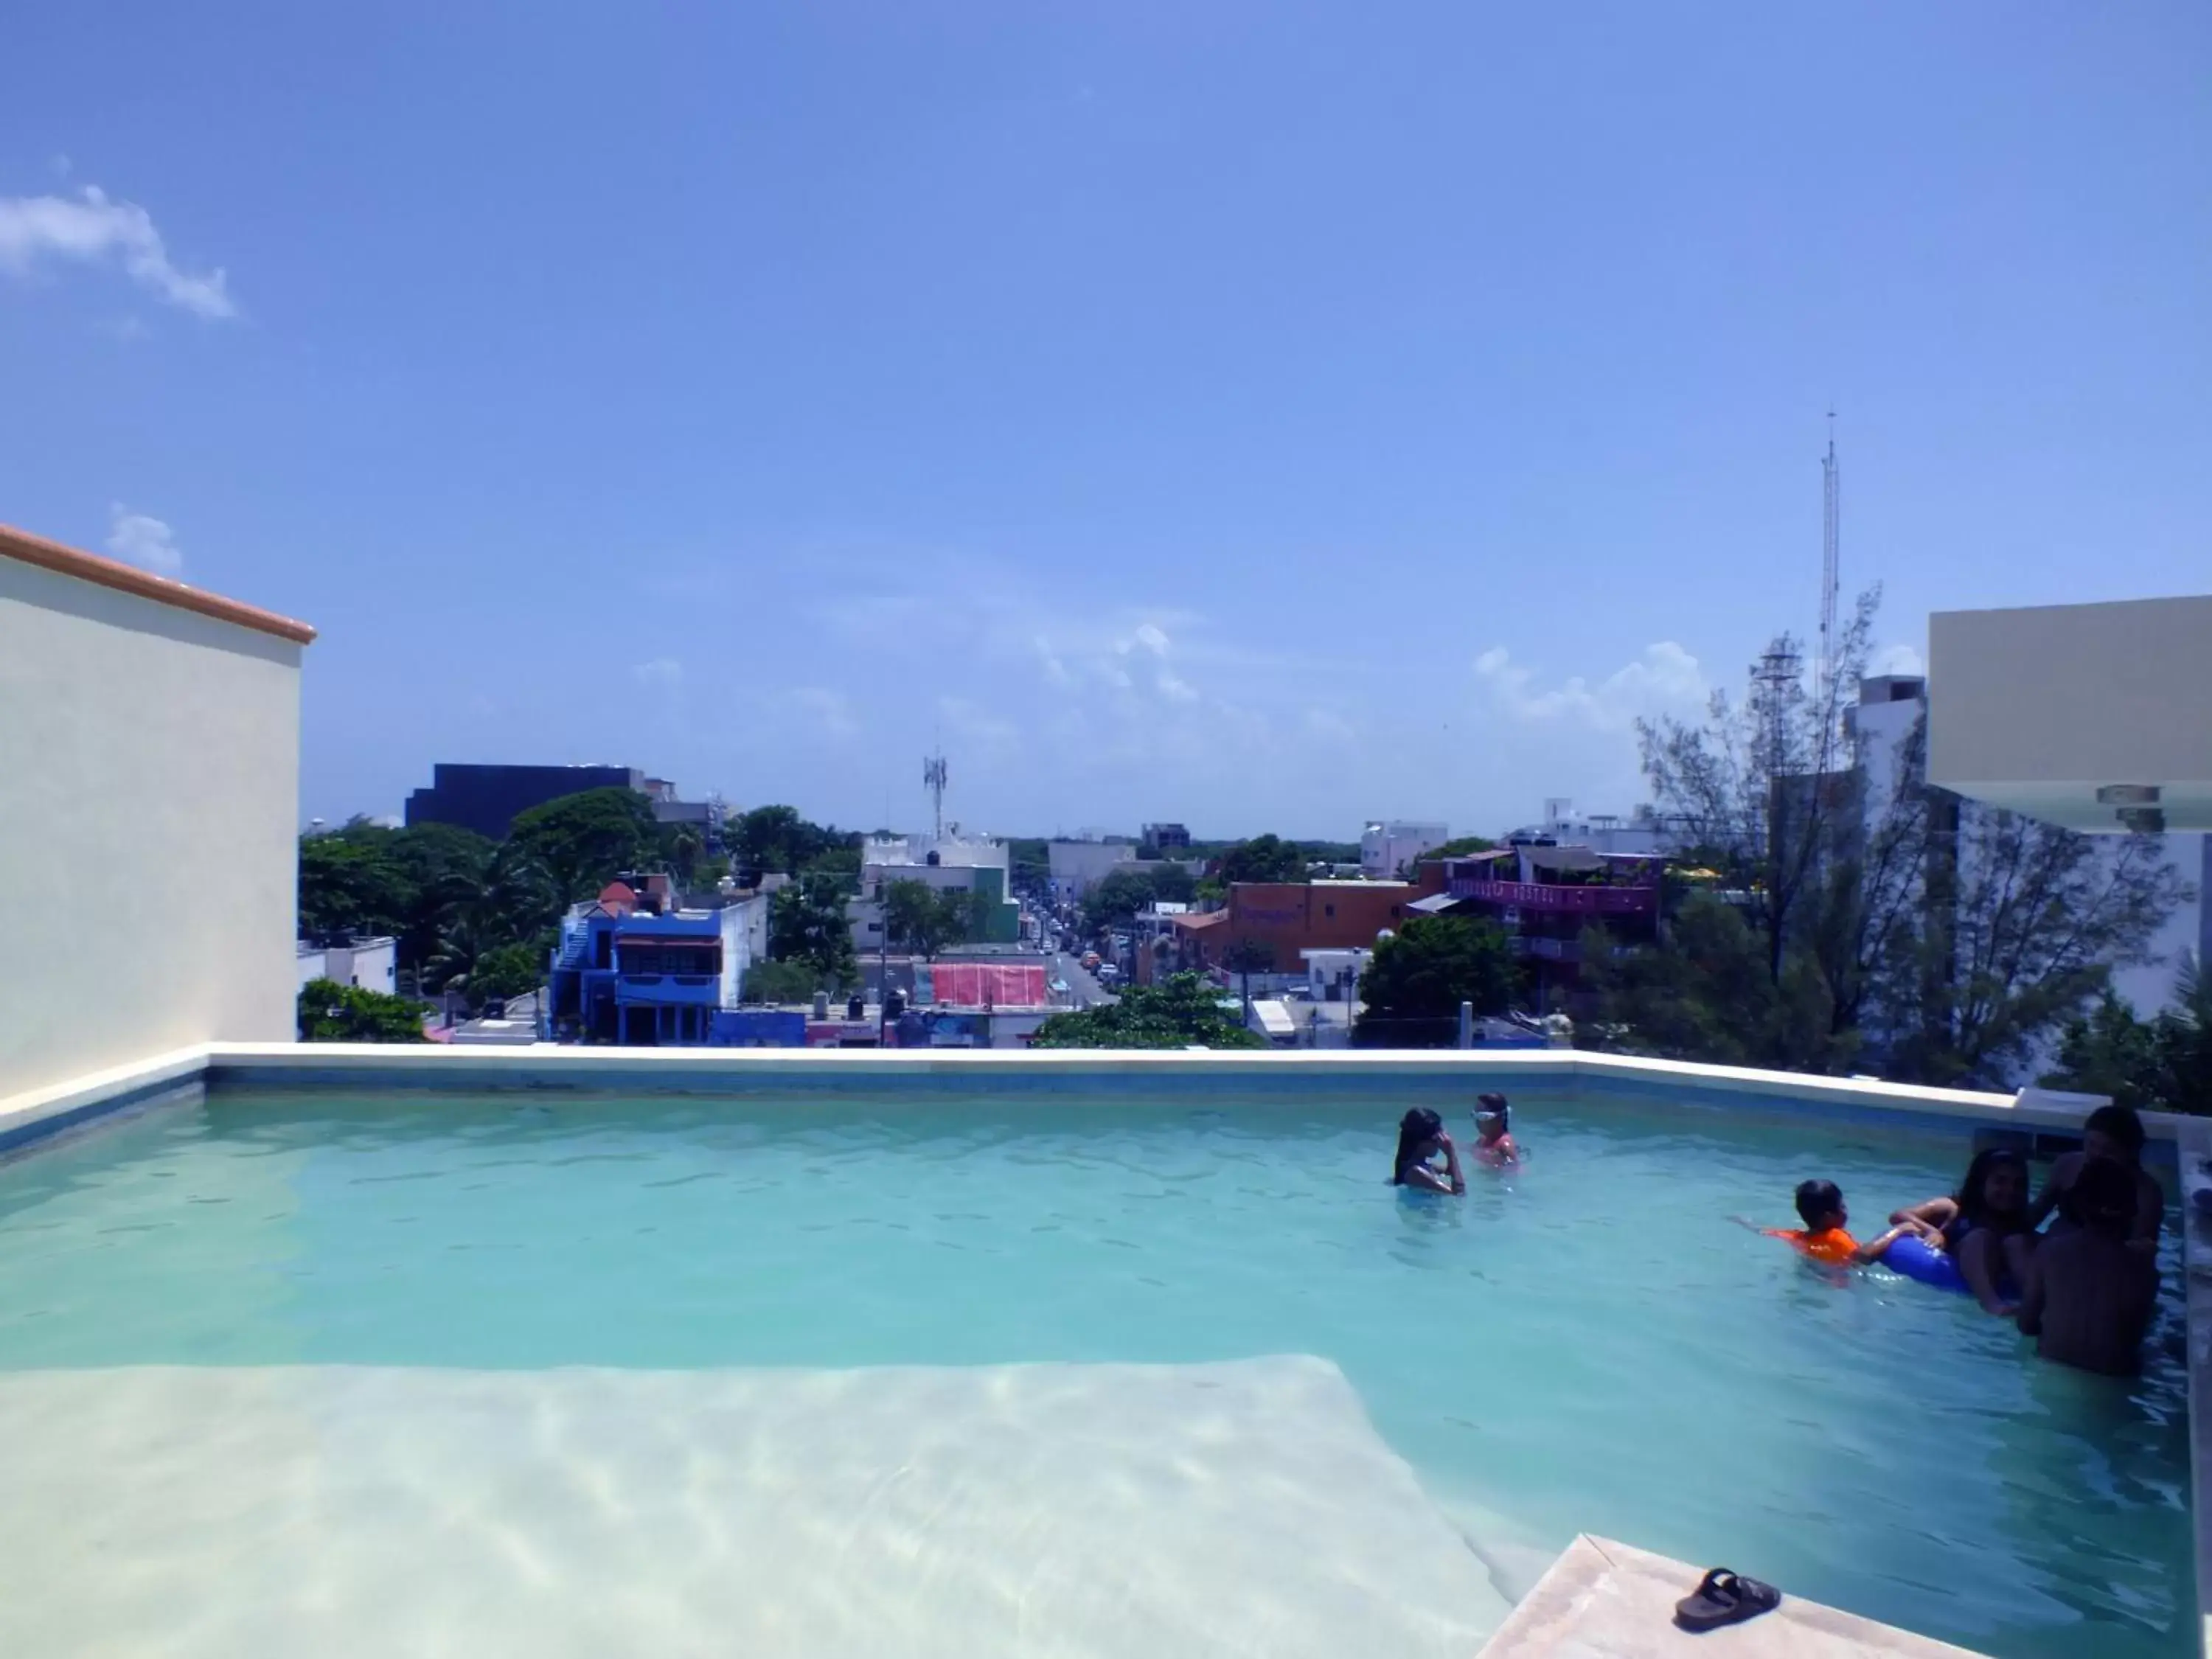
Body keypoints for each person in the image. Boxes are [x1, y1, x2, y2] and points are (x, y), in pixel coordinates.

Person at [2017, 1156, 2160, 1376]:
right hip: (2112, 1378)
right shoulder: (2144, 1270)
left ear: (2079, 1205)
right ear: (2132, 1211)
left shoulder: (2049, 1252)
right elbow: (2133, 1338)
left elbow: (2026, 1324)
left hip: (2051, 1366)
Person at [1889, 1147, 2034, 1315]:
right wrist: (1932, 1231)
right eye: (2000, 1181)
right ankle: (1991, 1303)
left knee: (2016, 1242)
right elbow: (1898, 1216)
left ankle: (2034, 1303)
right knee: (1980, 1236)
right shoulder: (1954, 1208)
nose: (2010, 1190)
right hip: (1967, 1257)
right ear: (1981, 1183)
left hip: (2004, 1267)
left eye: (2018, 1184)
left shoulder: (2019, 1219)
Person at [2026, 1104, 2164, 1253]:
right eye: (2091, 1145)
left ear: (2130, 1152)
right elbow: (2038, 1211)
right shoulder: (2068, 1165)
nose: (2096, 1154)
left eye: (2109, 1150)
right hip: (2054, 1248)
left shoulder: (2145, 1192)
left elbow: (2140, 1250)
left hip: (2104, 1262)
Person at [1753, 1178, 1915, 1265]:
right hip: (1840, 1286)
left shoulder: (1797, 1237)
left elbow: (1764, 1231)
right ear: (1829, 1217)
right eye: (1842, 1206)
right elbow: (1862, 1257)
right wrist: (1898, 1231)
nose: (1846, 1210)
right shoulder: (1837, 1237)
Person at [1391, 1107, 1465, 1194]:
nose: (1439, 1144)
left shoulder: (1423, 1166)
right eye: (1436, 1140)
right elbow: (1459, 1193)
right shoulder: (1416, 1172)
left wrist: (1449, 1155)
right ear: (1420, 1141)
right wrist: (1451, 1153)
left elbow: (1450, 1173)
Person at [1470, 1093, 1521, 1169]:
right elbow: (1472, 1149)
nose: (1478, 1121)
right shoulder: (1483, 1139)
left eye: (1483, 1117)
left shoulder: (1504, 1145)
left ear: (1499, 1119)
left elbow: (1514, 1170)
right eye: (1476, 1116)